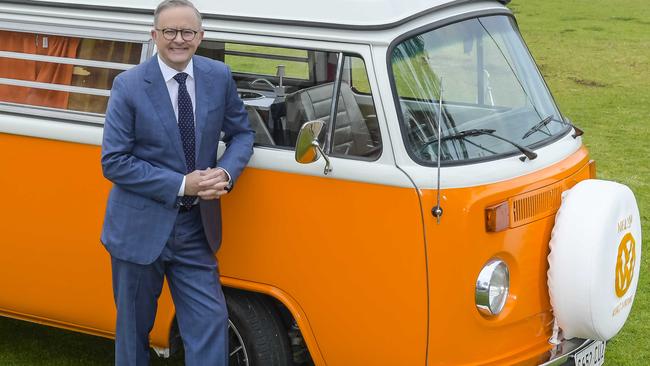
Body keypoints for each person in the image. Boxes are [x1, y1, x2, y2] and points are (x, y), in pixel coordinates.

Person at [100, 0, 254, 364]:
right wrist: (183, 184)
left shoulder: (218, 76)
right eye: (169, 31)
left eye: (187, 32)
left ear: (200, 37)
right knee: (133, 333)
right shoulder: (129, 85)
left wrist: (226, 173)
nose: (178, 39)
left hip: (195, 229)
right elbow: (114, 161)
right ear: (155, 36)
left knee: (210, 322)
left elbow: (242, 134)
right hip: (138, 230)